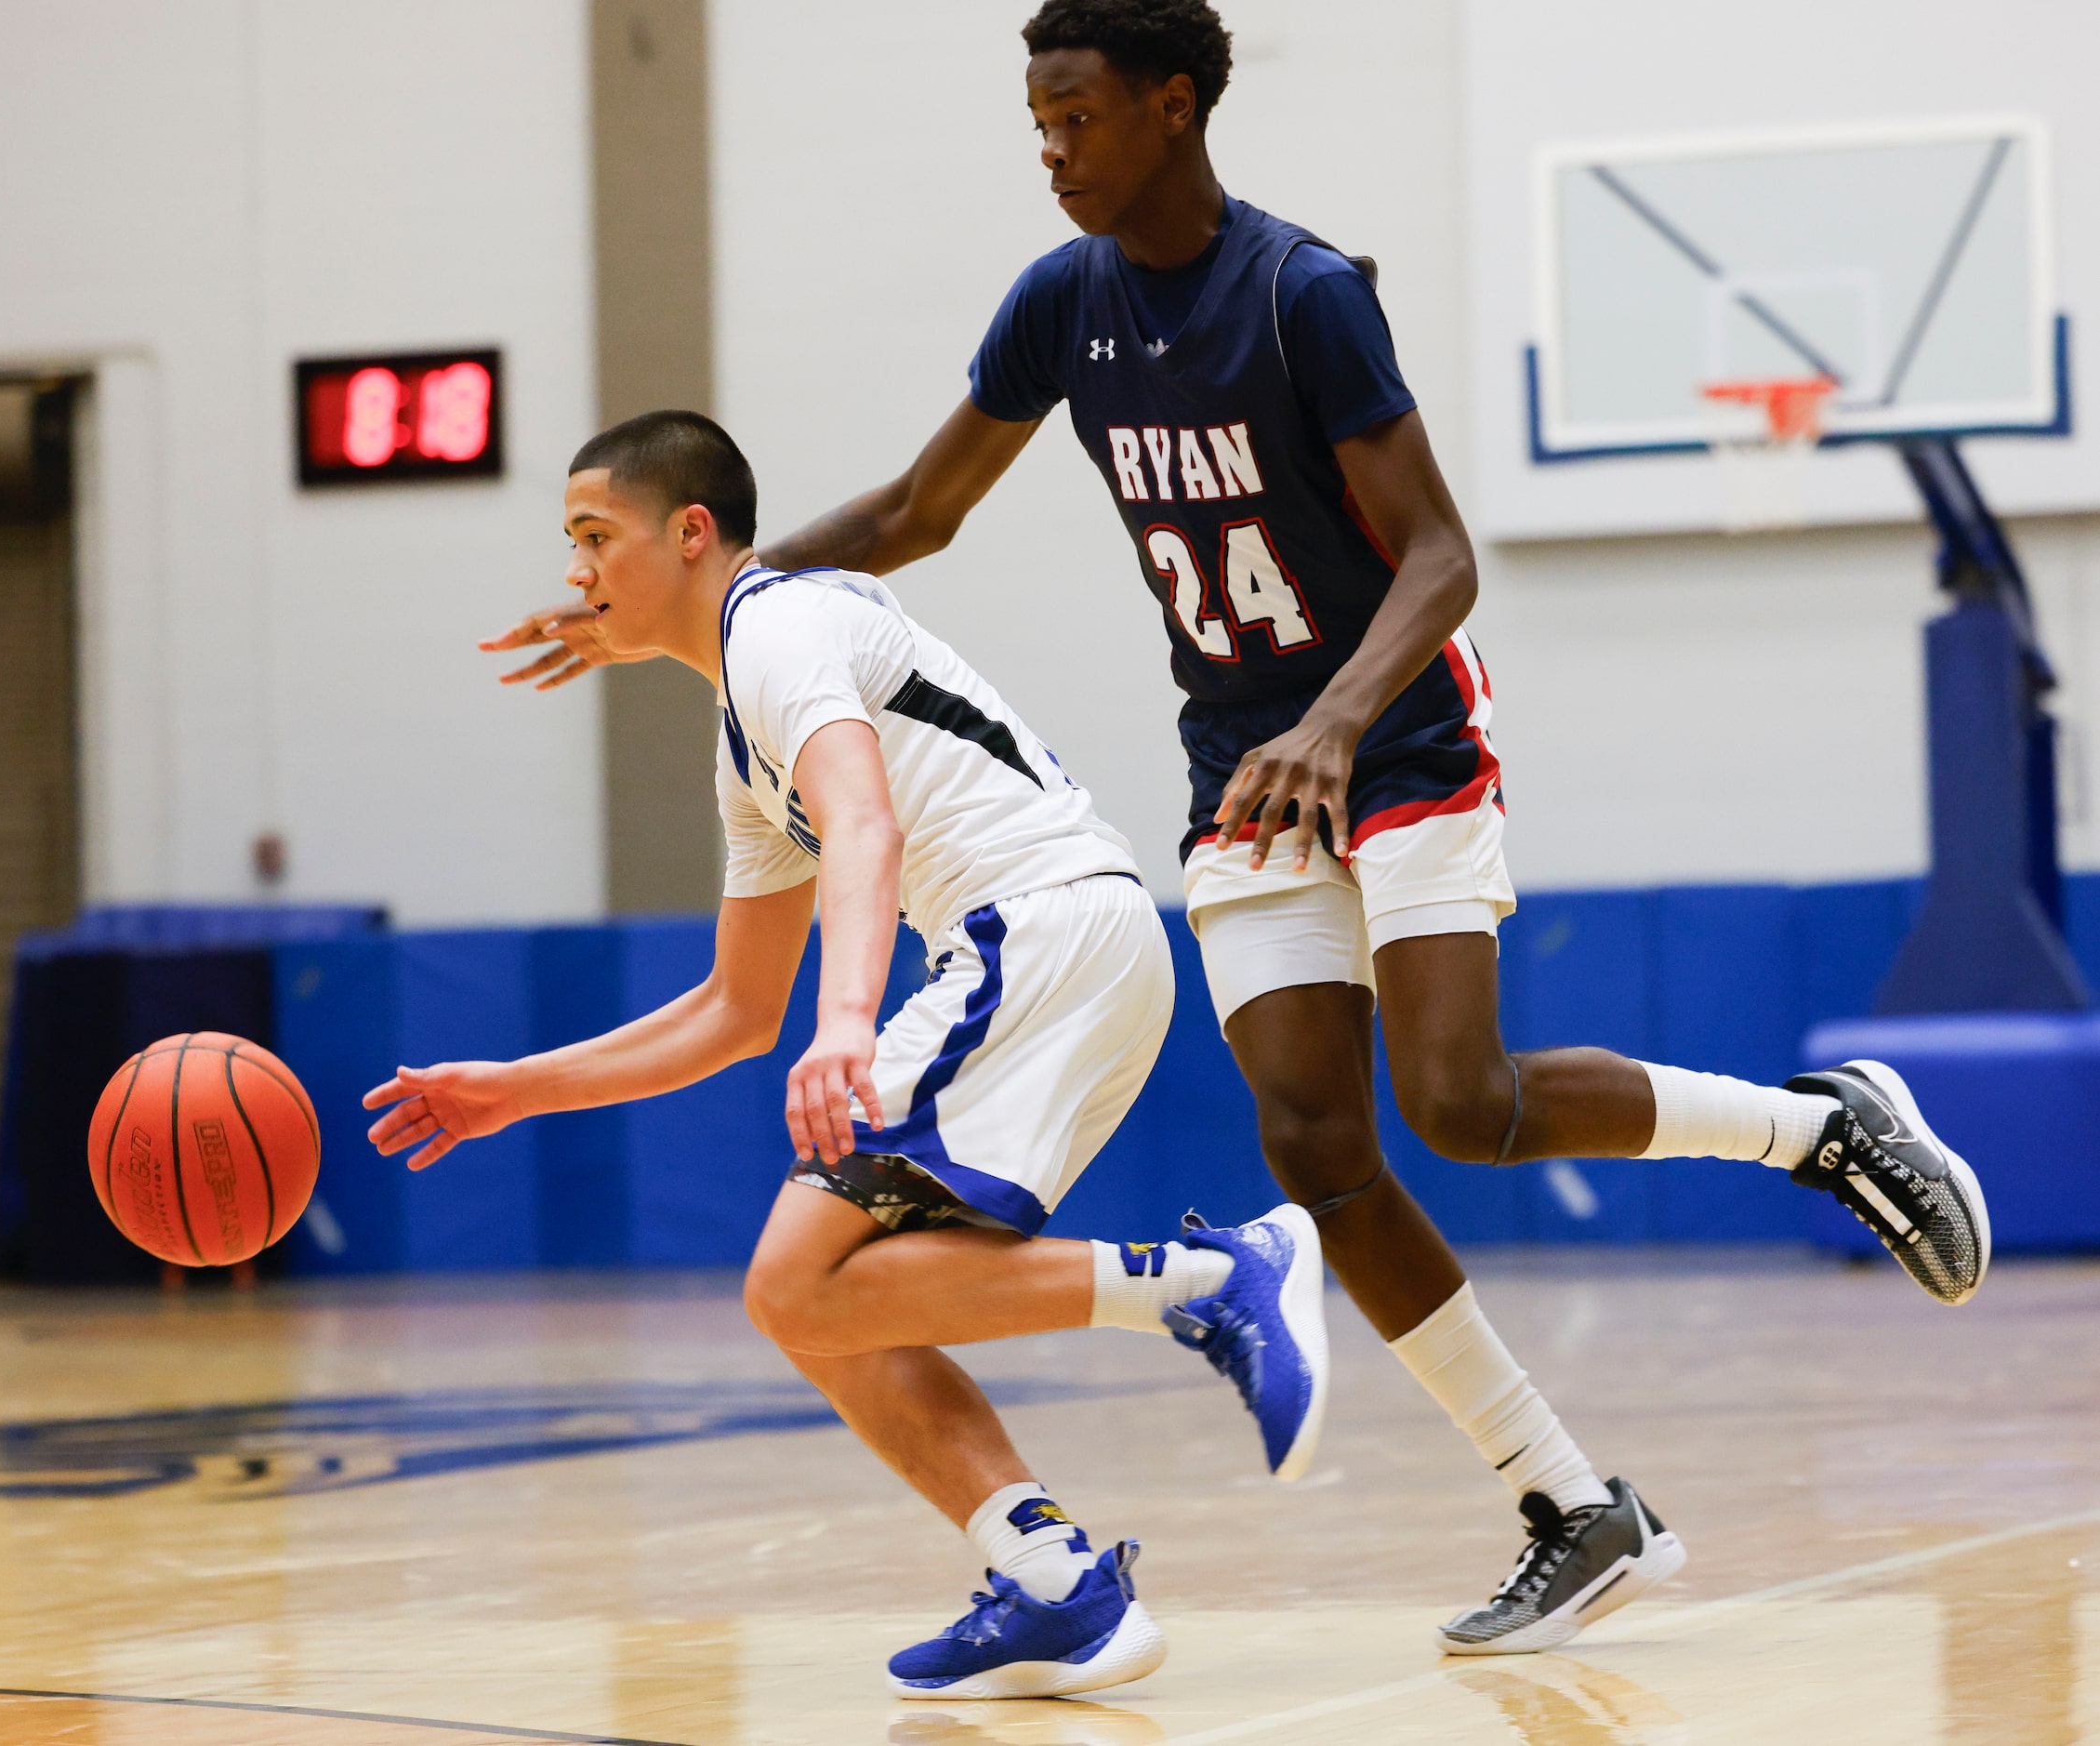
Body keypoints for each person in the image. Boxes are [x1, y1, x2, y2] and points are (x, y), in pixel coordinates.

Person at [482, 3, 1990, 1656]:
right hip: (1240, 771)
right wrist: (729, 605)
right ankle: (1570, 1503)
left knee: (1458, 1103)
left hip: (1398, 735)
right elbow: (920, 513)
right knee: (1313, 1145)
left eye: (1074, 116)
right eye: (1033, 120)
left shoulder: (1303, 294)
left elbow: (1437, 556)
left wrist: (1337, 717)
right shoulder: (1062, 305)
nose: (1048, 150)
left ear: (1173, 104)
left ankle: (1815, 1126)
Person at [364, 411, 1329, 1700]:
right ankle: (1049, 1577)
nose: (578, 573)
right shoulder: (742, 744)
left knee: (793, 1277)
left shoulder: (779, 625)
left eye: (595, 536)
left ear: (690, 532)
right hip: (1062, 949)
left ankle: (1210, 1275)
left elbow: (865, 823)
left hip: (1029, 932)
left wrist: (848, 1020)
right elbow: (729, 1009)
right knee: (809, 1295)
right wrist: (511, 1091)